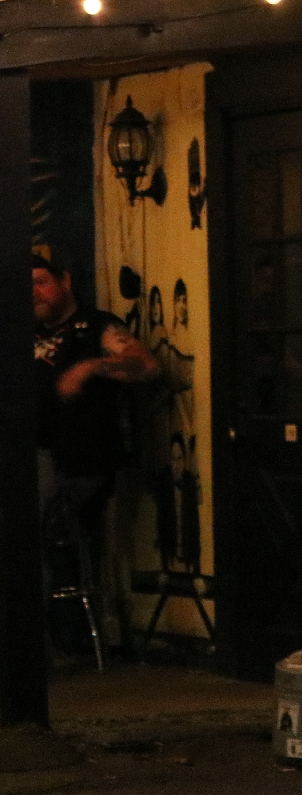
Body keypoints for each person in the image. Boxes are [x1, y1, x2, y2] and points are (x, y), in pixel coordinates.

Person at [33, 252, 159, 592]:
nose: (33, 293)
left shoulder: (96, 326)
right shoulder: (26, 333)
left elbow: (147, 365)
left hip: (78, 463)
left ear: (65, 281)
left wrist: (91, 366)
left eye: (40, 282)